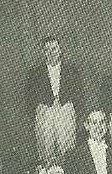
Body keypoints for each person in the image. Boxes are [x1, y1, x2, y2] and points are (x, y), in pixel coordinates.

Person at [25, 35, 85, 164]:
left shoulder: (71, 70)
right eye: (47, 50)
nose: (51, 53)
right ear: (43, 52)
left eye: (54, 49)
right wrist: (39, 112)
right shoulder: (35, 73)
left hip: (65, 111)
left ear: (60, 50)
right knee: (45, 150)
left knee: (67, 149)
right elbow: (29, 98)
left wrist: (72, 111)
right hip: (45, 113)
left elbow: (79, 94)